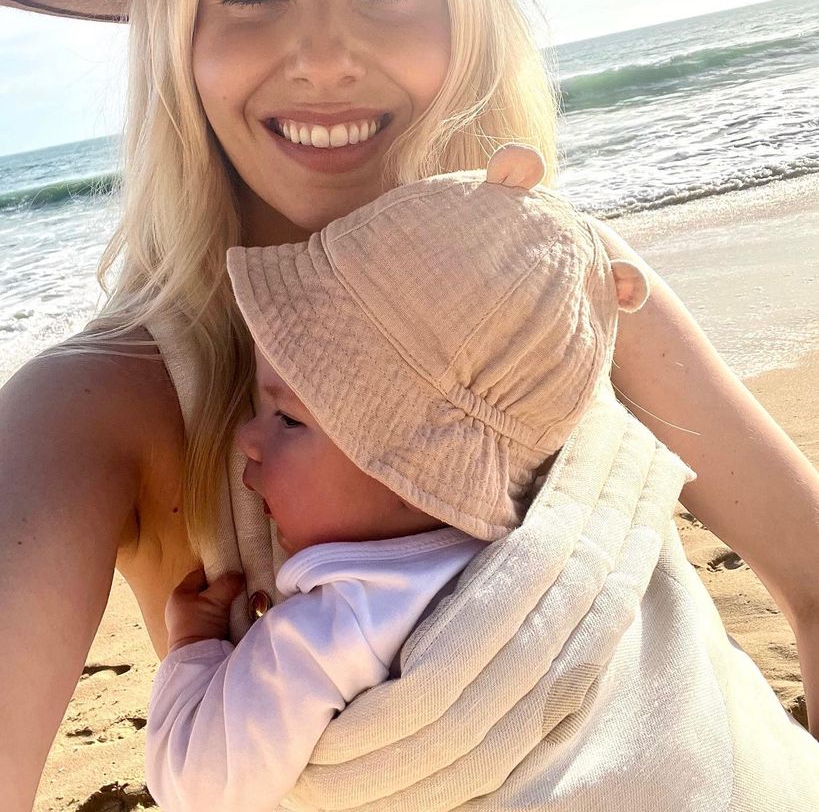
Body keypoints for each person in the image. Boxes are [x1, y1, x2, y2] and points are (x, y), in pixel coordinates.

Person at [0, 0, 817, 808]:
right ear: (176, 39)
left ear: (466, 8)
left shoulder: (566, 281)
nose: (329, 55)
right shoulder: (96, 405)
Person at [144, 152, 819, 811]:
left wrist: (192, 648)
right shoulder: (558, 519)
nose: (246, 438)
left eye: (288, 419)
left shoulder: (336, 625)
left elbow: (197, 784)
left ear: (415, 473)